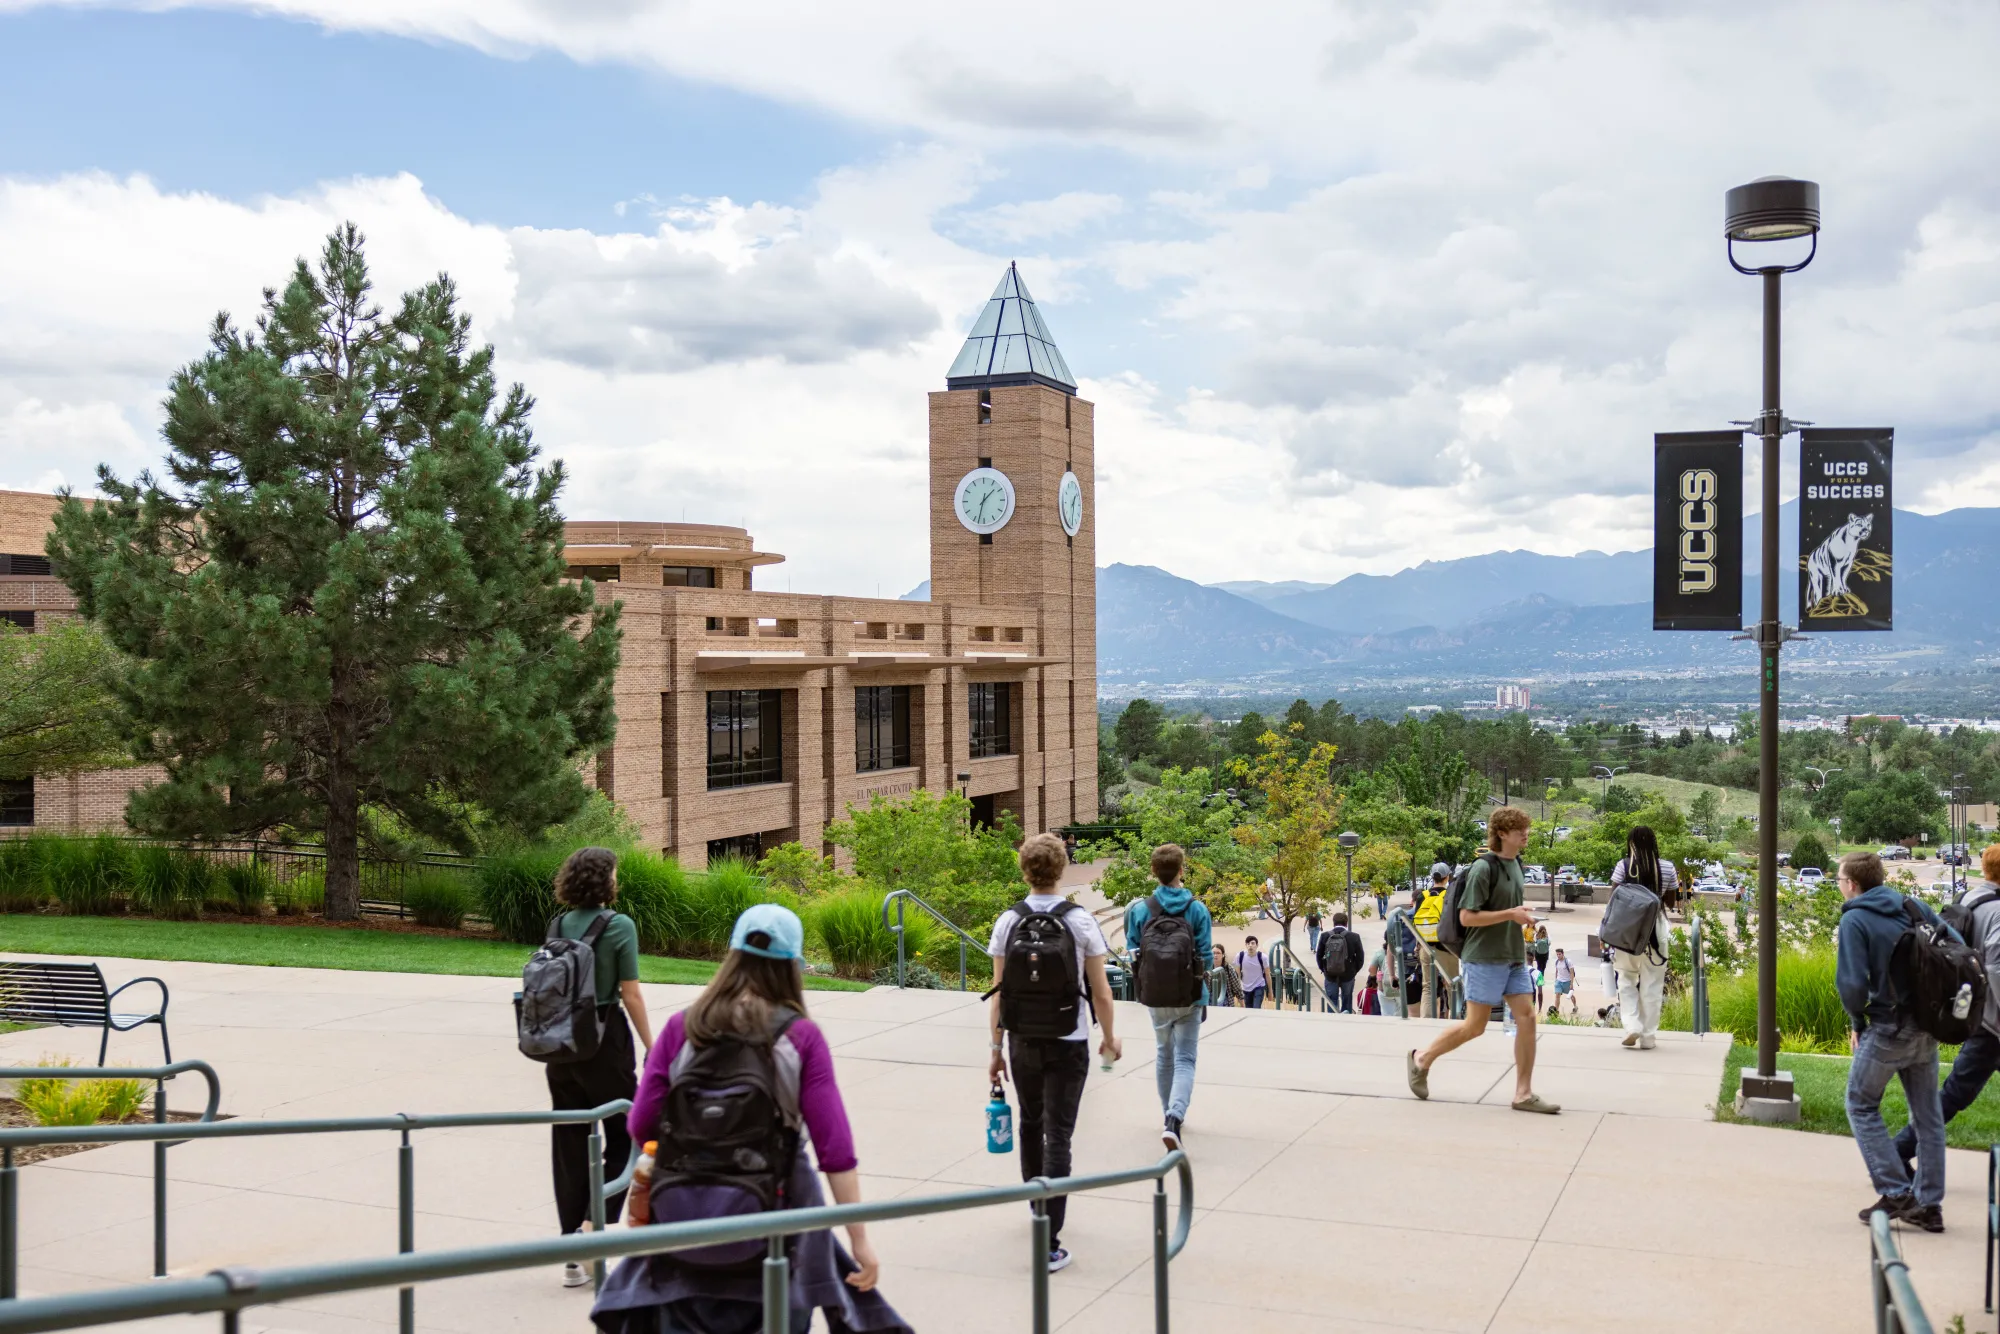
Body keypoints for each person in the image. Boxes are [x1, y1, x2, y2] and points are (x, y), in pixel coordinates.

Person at [592, 904, 909, 1334]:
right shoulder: (799, 1037)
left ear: (732, 957)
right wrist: (859, 1240)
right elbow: (836, 1151)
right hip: (773, 1231)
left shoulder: (680, 1028)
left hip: (682, 1228)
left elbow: (642, 1124)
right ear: (793, 966)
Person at [987, 832, 1122, 1273]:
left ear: (1024, 869)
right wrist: (1109, 1035)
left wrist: (996, 1049)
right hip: (1069, 1039)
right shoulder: (1080, 921)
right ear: (1061, 869)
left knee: (1030, 1122)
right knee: (1058, 1133)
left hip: (1022, 1038)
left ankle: (1035, 1203)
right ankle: (1049, 1241)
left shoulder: (1008, 921)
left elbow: (999, 995)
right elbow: (1100, 991)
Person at [542, 847, 654, 1288]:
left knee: (569, 1143)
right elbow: (630, 994)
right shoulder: (618, 925)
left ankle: (571, 1248)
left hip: (560, 1046)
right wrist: (653, 1046)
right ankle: (592, 1231)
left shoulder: (556, 925)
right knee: (629, 1136)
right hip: (605, 1044)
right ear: (605, 880)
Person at [1406, 807, 1558, 1114]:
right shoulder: (1482, 869)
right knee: (1475, 1026)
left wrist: (1521, 916)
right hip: (1483, 957)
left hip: (1513, 954)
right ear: (1502, 834)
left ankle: (1523, 1093)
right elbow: (1467, 916)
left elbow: (1507, 909)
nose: (1525, 835)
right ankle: (1422, 1058)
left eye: (1525, 829)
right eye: (1520, 831)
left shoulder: (1516, 864)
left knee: (1526, 1018)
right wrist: (1510, 914)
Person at [1837, 850, 1954, 1233]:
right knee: (1928, 1119)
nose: (1840, 887)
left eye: (1839, 880)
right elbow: (1956, 946)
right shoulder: (1914, 905)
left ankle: (1897, 1192)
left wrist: (1856, 1021)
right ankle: (1929, 1204)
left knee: (1860, 1103)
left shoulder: (1856, 918)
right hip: (1926, 1027)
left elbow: (1852, 985)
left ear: (1852, 884)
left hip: (1888, 1028)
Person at [1895, 845, 2000, 1181]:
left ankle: (1899, 1150)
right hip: (1994, 1023)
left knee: (1955, 1093)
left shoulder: (1970, 900)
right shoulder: (1998, 910)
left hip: (1978, 1016)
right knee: (1955, 1093)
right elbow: (1996, 968)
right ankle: (1898, 1151)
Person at [1122, 843, 1213, 1150]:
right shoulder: (1197, 910)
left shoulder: (1140, 909)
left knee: (1164, 1054)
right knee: (1186, 1058)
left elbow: (1132, 950)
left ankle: (1166, 1117)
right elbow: (1206, 957)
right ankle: (1176, 1117)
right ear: (1181, 870)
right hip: (1189, 994)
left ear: (1154, 871)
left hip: (1155, 995)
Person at [1610, 825, 1679, 1050]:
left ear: (1631, 844)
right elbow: (1670, 902)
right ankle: (1648, 1037)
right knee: (1653, 984)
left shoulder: (1624, 866)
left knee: (1626, 978)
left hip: (1628, 930)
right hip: (1656, 928)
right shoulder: (1668, 868)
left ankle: (1632, 1026)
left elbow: (1614, 899)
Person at [1315, 911, 1364, 1013]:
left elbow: (1319, 955)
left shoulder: (1325, 936)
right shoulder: (1354, 936)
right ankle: (1346, 1022)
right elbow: (1360, 958)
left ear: (1333, 922)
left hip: (1330, 974)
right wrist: (1354, 970)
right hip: (1348, 974)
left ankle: (1333, 1023)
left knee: (1332, 1002)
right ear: (1346, 923)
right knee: (1347, 1001)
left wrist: (1324, 969)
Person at [1238, 935, 1269, 1009]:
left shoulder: (1263, 957)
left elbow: (1268, 974)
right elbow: (1238, 974)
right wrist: (1239, 990)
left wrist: (1270, 992)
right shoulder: (1240, 956)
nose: (1250, 946)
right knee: (1248, 1008)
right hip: (1246, 987)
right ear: (1245, 945)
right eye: (1248, 944)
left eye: (1252, 943)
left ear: (1257, 945)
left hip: (1259, 986)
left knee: (1256, 1008)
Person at [1550, 948, 1578, 1020]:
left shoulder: (1568, 961)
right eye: (1557, 954)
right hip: (1559, 981)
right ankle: (1556, 1010)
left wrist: (1571, 983)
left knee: (1571, 995)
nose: (1558, 956)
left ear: (1563, 954)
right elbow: (1557, 971)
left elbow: (1572, 973)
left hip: (1567, 981)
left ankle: (1575, 1006)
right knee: (1557, 995)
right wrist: (1556, 979)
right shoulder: (1557, 962)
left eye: (1559, 954)